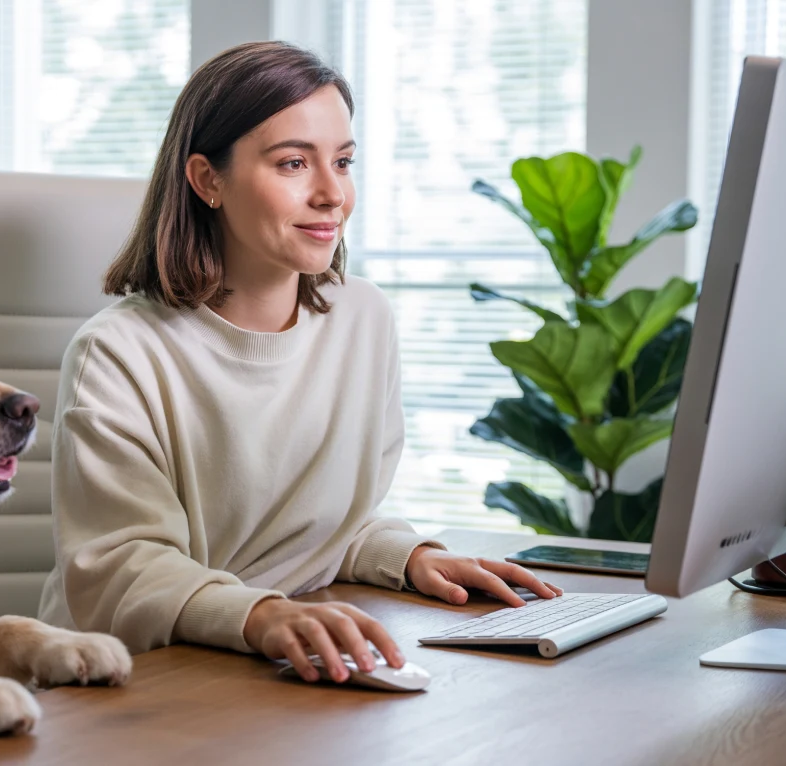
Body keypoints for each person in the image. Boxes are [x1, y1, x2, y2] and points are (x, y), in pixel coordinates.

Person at [37, 41, 561, 683]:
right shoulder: (118, 353)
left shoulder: (363, 318)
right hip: (127, 678)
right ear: (207, 180)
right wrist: (261, 615)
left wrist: (408, 556)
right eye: (293, 163)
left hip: (273, 662)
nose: (332, 194)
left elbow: (316, 525)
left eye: (342, 162)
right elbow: (120, 572)